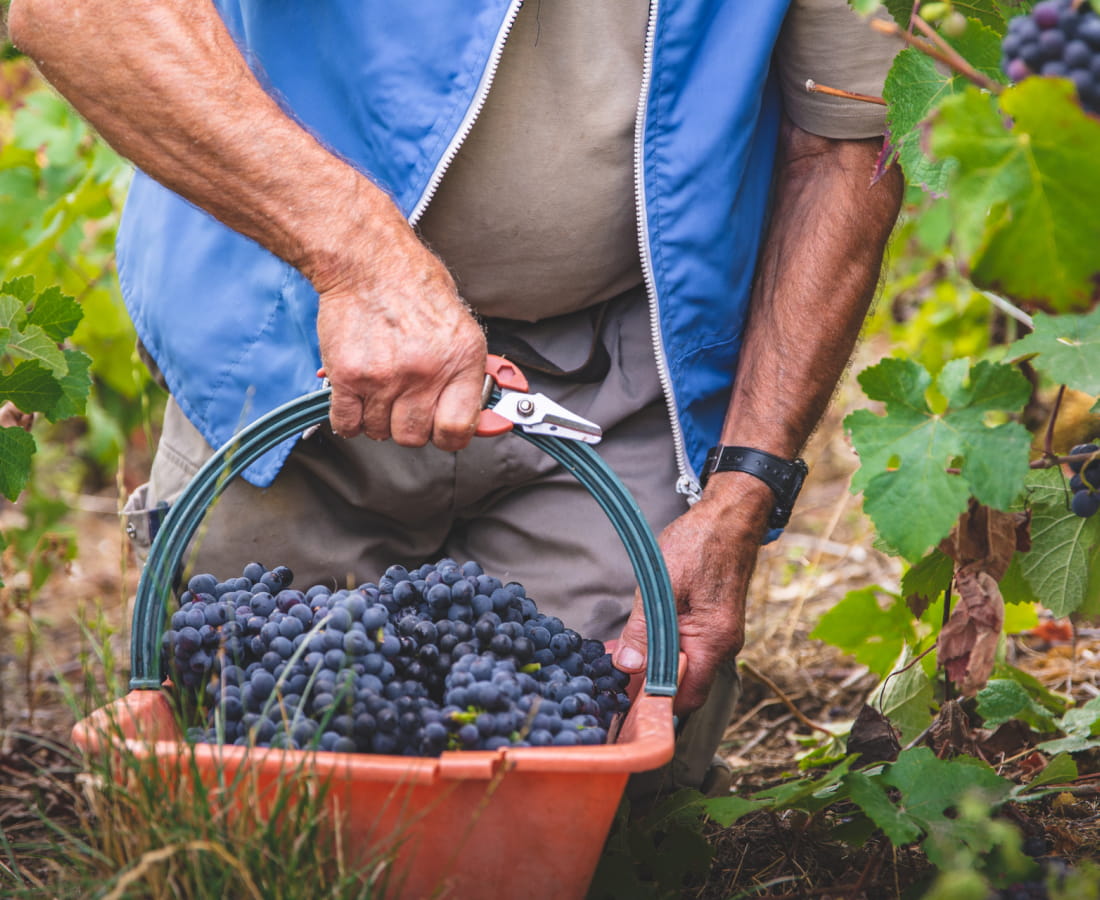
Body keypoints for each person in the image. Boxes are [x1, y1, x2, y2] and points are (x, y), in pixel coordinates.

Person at [9, 0, 903, 793]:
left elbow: (844, 145)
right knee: (251, 763)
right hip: (290, 330)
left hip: (619, 374)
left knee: (580, 787)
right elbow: (81, 11)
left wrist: (740, 494)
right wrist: (358, 257)